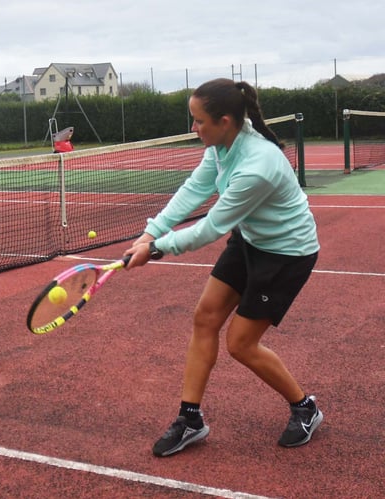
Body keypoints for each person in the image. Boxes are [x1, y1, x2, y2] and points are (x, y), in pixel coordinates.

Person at [124, 78, 322, 457]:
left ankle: (305, 407)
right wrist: (149, 233)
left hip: (287, 252)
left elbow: (211, 227)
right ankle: (190, 419)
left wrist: (157, 249)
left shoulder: (258, 166)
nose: (193, 128)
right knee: (205, 318)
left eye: (198, 121)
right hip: (251, 240)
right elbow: (193, 190)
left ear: (225, 120)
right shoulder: (222, 145)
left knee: (241, 344)